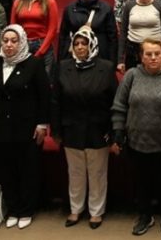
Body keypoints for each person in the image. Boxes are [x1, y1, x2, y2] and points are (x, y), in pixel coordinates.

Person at [111, 38, 161, 237]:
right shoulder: (131, 75)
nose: (153, 58)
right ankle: (145, 216)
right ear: (141, 57)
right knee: (141, 182)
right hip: (137, 141)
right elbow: (119, 106)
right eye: (148, 54)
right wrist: (118, 131)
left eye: (157, 54)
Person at [0, 24, 51, 229]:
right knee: (5, 169)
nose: (9, 45)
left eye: (14, 41)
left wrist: (42, 124)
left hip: (26, 127)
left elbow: (44, 97)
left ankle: (27, 209)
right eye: (6, 40)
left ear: (22, 42)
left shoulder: (34, 64)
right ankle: (13, 208)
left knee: (27, 169)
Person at [52, 26, 117, 230]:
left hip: (98, 129)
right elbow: (55, 101)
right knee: (76, 172)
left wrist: (114, 133)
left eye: (84, 43)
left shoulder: (106, 68)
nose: (80, 47)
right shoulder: (62, 67)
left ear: (92, 45)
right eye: (76, 43)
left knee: (97, 173)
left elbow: (115, 102)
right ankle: (75, 209)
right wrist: (56, 130)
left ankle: (96, 211)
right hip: (71, 129)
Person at [59, 0, 118, 65]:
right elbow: (63, 35)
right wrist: (61, 60)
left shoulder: (106, 8)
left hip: (100, 54)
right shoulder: (70, 8)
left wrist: (112, 62)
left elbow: (112, 38)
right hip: (76, 54)